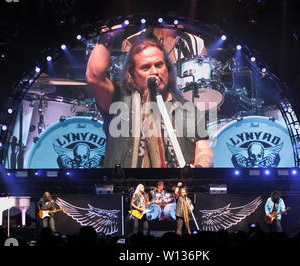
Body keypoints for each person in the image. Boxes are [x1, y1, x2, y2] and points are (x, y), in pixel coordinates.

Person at [86, 33, 213, 168]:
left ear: (168, 69)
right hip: (128, 186)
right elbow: (94, 77)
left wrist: (199, 167)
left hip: (176, 187)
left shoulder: (188, 109)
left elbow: (203, 150)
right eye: (145, 67)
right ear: (132, 74)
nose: (154, 71)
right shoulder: (118, 100)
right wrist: (107, 38)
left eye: (159, 65)